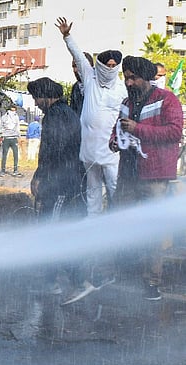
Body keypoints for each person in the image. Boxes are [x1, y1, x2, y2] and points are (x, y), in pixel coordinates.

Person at [111, 56, 184, 300]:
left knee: (153, 230)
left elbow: (174, 132)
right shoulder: (126, 102)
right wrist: (114, 140)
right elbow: (118, 128)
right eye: (126, 77)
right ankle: (127, 272)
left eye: (134, 77)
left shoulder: (167, 99)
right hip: (128, 175)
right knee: (123, 226)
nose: (129, 82)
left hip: (154, 177)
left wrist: (138, 129)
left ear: (147, 78)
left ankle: (152, 281)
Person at [57, 17, 127, 217]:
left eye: (115, 65)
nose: (111, 68)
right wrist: (67, 36)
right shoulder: (90, 78)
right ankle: (93, 221)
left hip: (110, 149)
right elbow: (79, 57)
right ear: (101, 65)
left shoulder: (122, 88)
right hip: (89, 147)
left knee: (114, 187)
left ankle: (118, 222)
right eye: (108, 64)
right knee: (93, 188)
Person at [26, 78, 88, 298]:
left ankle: (79, 281)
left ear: (46, 95)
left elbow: (52, 149)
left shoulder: (55, 115)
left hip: (61, 183)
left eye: (36, 97)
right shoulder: (67, 112)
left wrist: (40, 176)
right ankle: (51, 279)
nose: (36, 102)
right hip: (68, 180)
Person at [0, 105, 22, 176]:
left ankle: (15, 170)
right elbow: (0, 127)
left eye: (14, 110)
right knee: (4, 155)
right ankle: (2, 170)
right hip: (6, 138)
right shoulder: (4, 117)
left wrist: (19, 136)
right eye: (11, 110)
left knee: (16, 155)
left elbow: (18, 127)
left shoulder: (16, 117)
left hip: (14, 138)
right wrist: (0, 135)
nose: (13, 112)